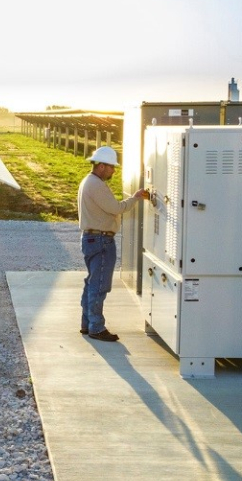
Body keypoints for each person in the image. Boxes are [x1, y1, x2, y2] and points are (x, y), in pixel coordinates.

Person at [77, 145, 147, 342]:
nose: (113, 171)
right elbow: (115, 207)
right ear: (100, 166)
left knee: (92, 282)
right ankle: (96, 327)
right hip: (101, 240)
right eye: (111, 167)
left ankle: (87, 323)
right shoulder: (96, 184)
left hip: (93, 239)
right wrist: (134, 199)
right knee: (99, 285)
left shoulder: (88, 181)